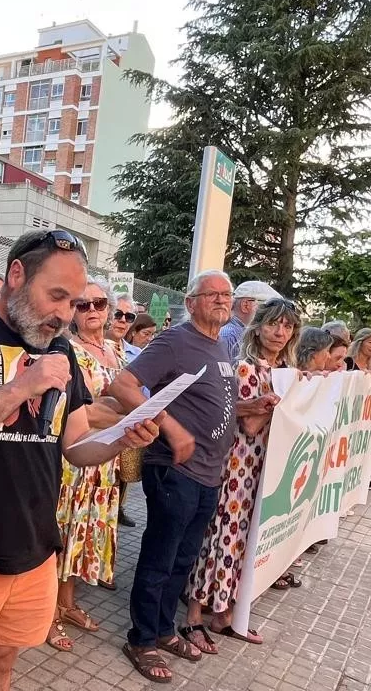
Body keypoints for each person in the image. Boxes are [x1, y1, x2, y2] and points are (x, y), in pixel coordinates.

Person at [0, 228, 160, 691]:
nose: (64, 315)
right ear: (16, 274)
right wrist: (21, 386)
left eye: (75, 303)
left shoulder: (59, 346)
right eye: (56, 296)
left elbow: (76, 446)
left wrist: (123, 439)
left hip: (35, 547)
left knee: (0, 662)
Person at [108, 270, 240, 684]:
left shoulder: (219, 345)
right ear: (191, 302)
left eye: (227, 294)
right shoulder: (174, 340)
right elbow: (123, 384)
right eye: (212, 294)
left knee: (183, 559)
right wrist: (171, 426)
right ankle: (142, 638)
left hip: (208, 473)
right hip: (174, 468)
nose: (221, 300)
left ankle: (164, 629)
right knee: (160, 557)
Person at [181, 297, 301, 654]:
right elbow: (248, 425)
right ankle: (193, 616)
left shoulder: (286, 373)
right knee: (220, 538)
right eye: (273, 324)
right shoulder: (247, 369)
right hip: (238, 467)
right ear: (258, 326)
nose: (280, 332)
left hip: (267, 470)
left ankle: (224, 612)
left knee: (242, 541)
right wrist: (281, 402)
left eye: (288, 326)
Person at [48, 280, 128, 652]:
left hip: (105, 462)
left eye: (99, 303)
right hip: (76, 457)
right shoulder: (67, 349)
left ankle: (67, 604)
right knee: (64, 530)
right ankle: (47, 614)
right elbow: (72, 409)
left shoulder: (115, 349)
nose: (92, 310)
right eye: (82, 304)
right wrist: (108, 414)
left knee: (85, 532)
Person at [106, 295, 144, 527]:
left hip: (129, 424)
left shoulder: (137, 354)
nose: (122, 320)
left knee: (125, 475)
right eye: (118, 314)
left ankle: (118, 509)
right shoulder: (83, 348)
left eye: (129, 316)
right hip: (98, 430)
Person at [218, 280, 280, 359]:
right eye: (266, 307)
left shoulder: (236, 334)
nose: (271, 313)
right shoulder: (230, 336)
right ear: (245, 305)